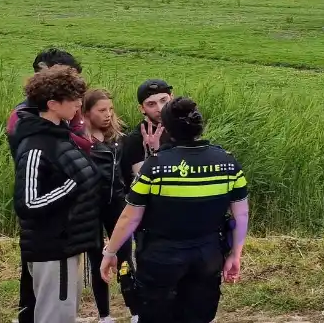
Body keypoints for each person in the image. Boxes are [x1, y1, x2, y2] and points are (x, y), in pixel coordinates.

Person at [100, 96, 250, 323]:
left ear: (167, 128)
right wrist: (235, 254)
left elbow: (130, 216)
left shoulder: (156, 165)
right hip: (208, 255)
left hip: (161, 258)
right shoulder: (228, 162)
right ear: (200, 126)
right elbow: (241, 214)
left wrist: (110, 252)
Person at [10, 65, 102, 323]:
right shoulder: (35, 145)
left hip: (68, 245)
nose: (79, 104)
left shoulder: (60, 136)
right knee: (55, 318)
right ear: (52, 104)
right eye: (73, 99)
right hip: (53, 250)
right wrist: (70, 187)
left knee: (64, 314)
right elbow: (28, 203)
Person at [81, 89, 140, 323]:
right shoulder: (80, 142)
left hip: (117, 204)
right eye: (102, 110)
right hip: (92, 207)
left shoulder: (118, 139)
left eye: (110, 109)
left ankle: (135, 312)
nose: (108, 115)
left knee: (126, 258)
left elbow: (126, 173)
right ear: (86, 112)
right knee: (96, 259)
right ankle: (104, 315)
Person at [120, 78, 174, 182]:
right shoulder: (136, 138)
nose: (160, 108)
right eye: (151, 104)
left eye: (163, 100)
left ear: (172, 98)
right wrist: (152, 154)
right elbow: (142, 181)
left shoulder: (180, 128)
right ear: (142, 109)